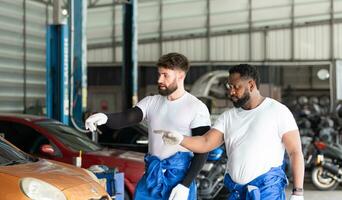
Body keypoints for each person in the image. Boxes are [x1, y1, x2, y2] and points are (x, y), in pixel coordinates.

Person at [159, 64, 305, 200]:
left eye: (235, 87)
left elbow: (295, 152)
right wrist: (180, 139)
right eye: (229, 86)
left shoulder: (278, 111)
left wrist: (298, 192)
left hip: (266, 191)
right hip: (236, 192)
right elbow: (205, 143)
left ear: (251, 85)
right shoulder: (228, 117)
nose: (231, 91)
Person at [85, 52, 211, 200]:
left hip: (179, 180)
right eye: (159, 74)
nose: (159, 79)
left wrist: (185, 184)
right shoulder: (152, 102)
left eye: (165, 75)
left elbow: (203, 150)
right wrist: (105, 117)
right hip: (151, 178)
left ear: (180, 76)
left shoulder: (196, 107)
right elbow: (127, 117)